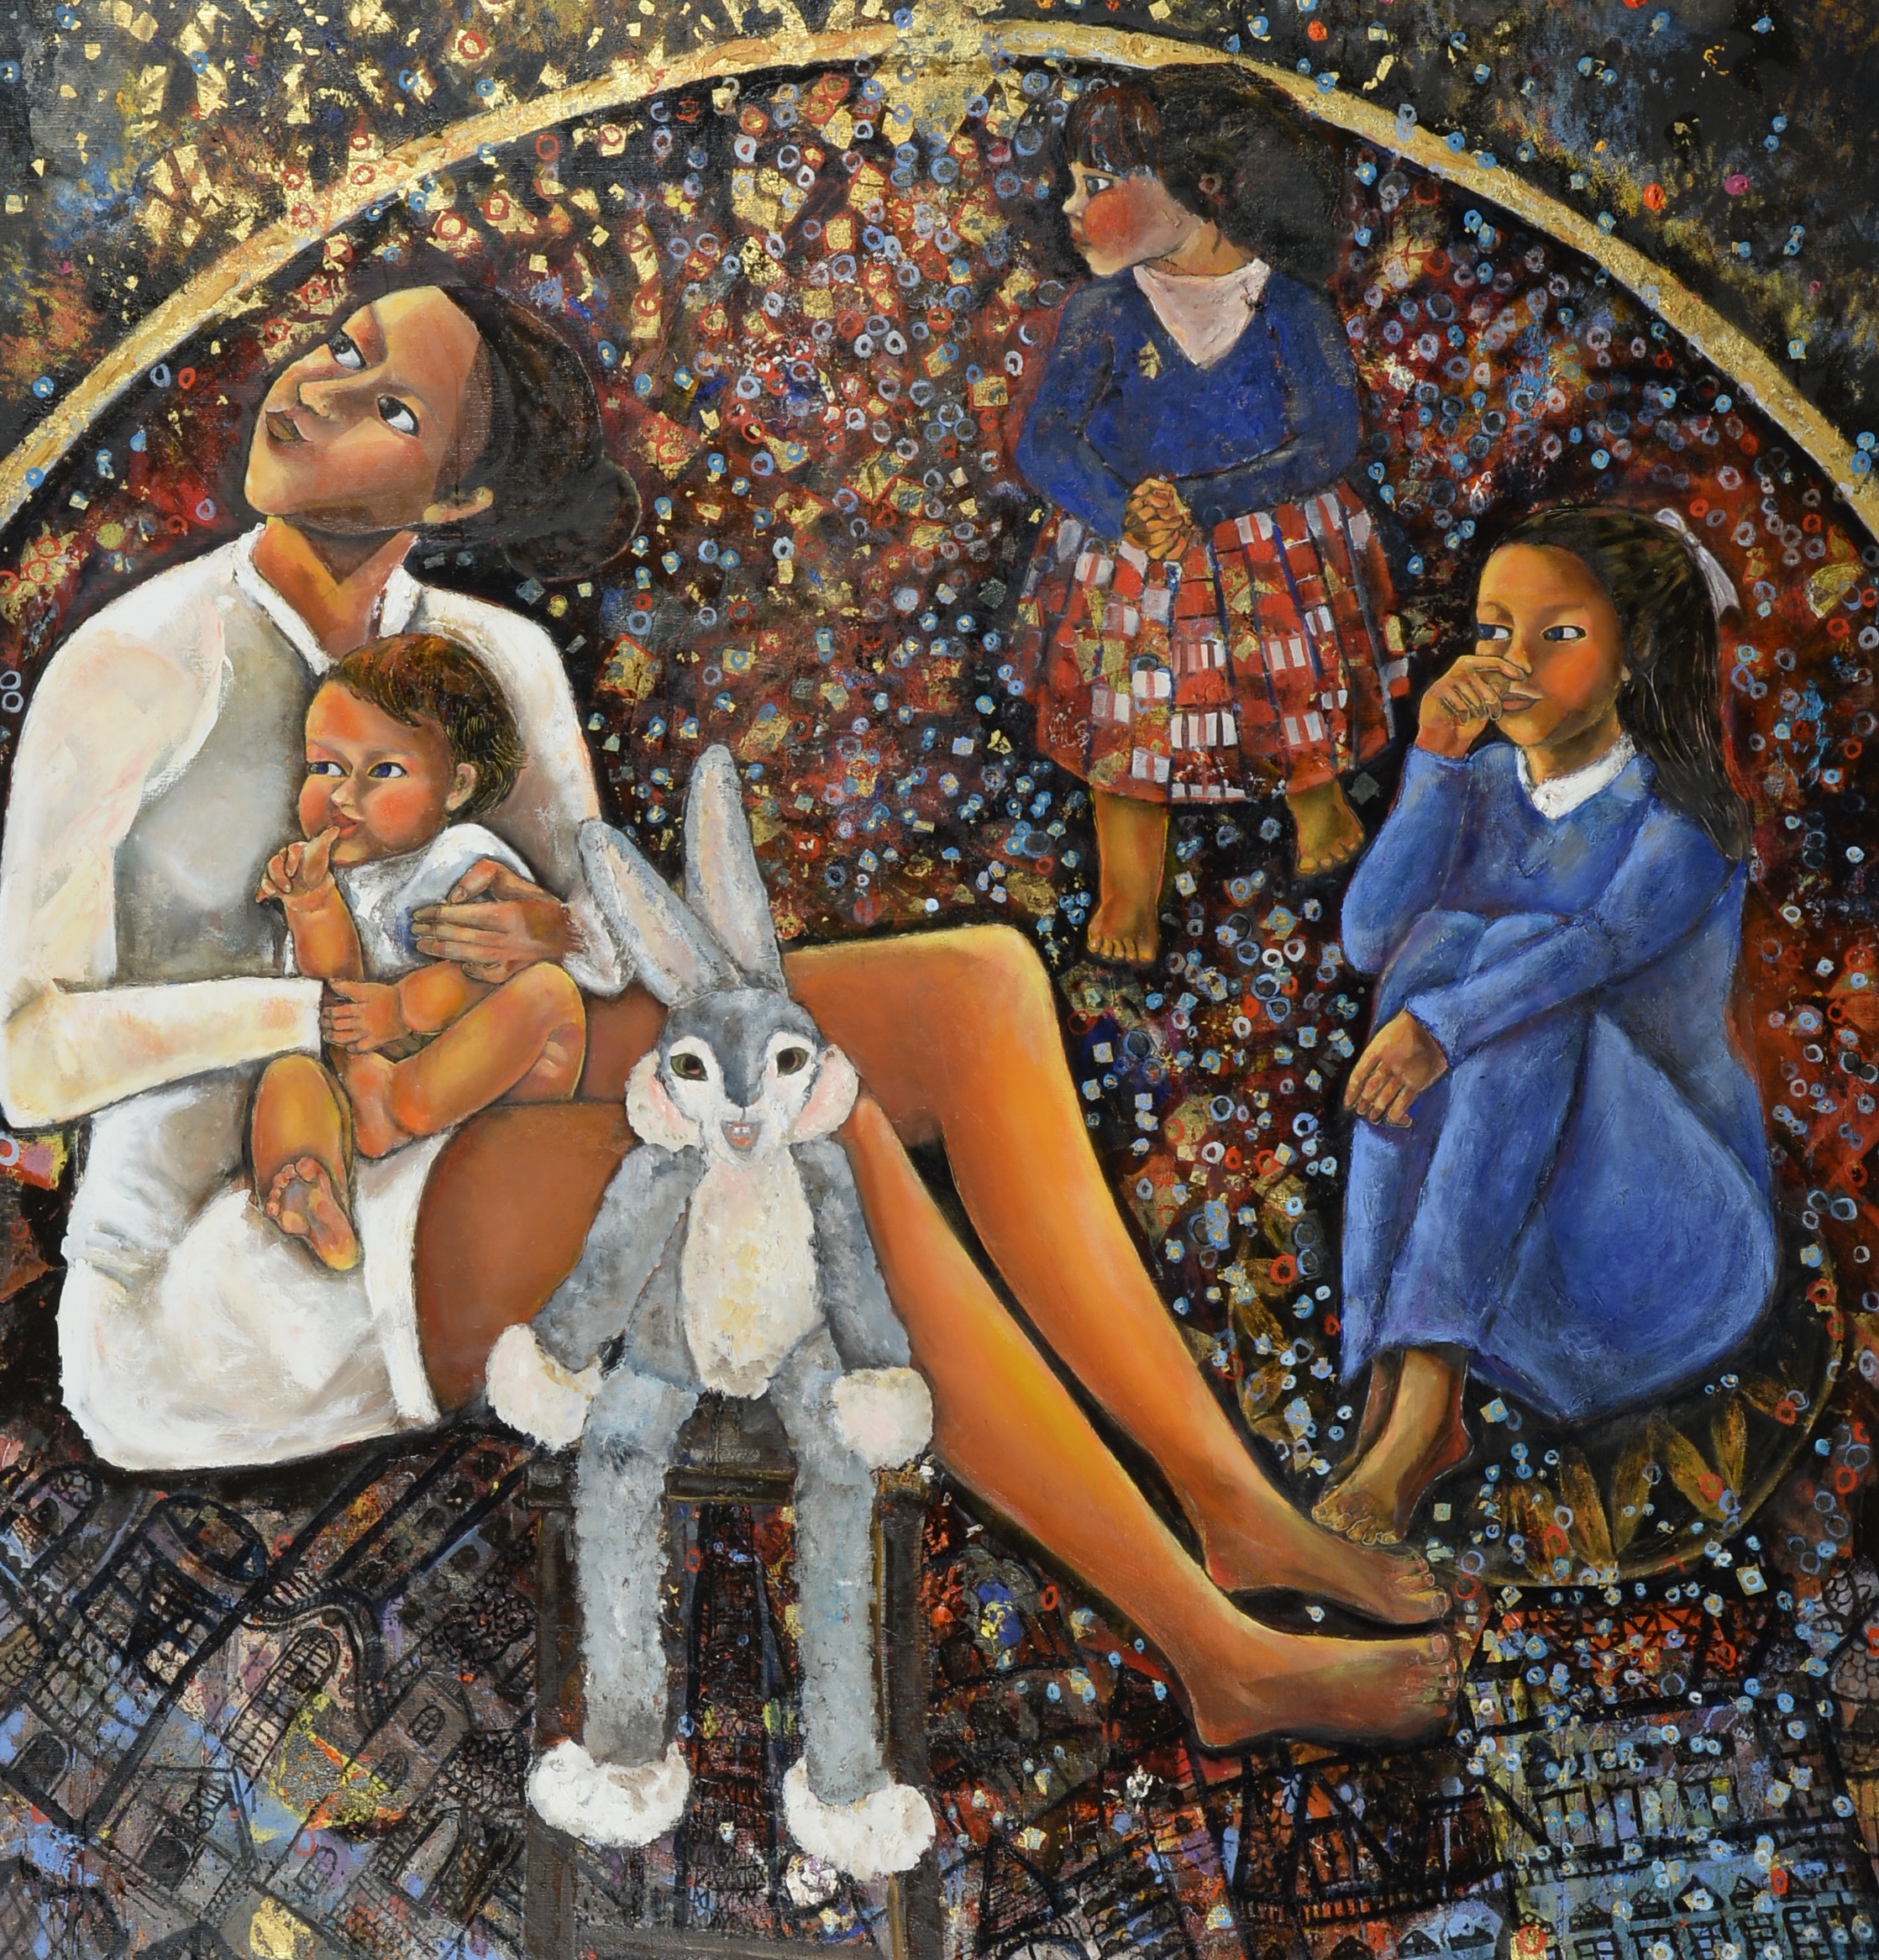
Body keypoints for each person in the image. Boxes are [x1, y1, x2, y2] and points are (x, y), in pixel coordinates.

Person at [0, 273, 1456, 1754]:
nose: (312, 389)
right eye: (335, 348)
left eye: (385, 402)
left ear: (461, 493)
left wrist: (551, 929)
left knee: (970, 993)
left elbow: (619, 968)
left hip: (446, 1080)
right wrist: (306, 1013)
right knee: (798, 1127)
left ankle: (1228, 1503)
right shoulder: (138, 668)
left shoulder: (493, 664)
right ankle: (1212, 1654)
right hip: (232, 1262)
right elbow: (23, 1055)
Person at [1315, 505, 1777, 1549]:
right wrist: (1433, 759)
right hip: (1512, 1255)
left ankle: (1423, 1402)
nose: (1511, 663)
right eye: (1492, 631)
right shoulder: (1479, 785)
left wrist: (1438, 1027)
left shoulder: (1681, 821)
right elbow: (1367, 936)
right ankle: (1402, 1371)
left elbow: (1590, 949)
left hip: (1655, 1246)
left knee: (1518, 962)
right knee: (1434, 947)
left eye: (1556, 634)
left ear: (1634, 656)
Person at [1011, 68, 1408, 964]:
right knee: (1127, 724)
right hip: (1132, 554)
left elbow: (1325, 442)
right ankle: (1127, 889)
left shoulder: (1291, 307)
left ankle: (1315, 800)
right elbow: (1045, 442)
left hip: (1266, 542)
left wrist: (1202, 503)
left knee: (1287, 686)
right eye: (1072, 182)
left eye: (1096, 182)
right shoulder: (1099, 312)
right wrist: (1122, 510)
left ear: (1202, 185)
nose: (1070, 206)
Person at [252, 634, 588, 1272]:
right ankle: (308, 1189)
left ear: (456, 785)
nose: (342, 797)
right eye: (325, 768)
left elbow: (489, 974)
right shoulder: (334, 873)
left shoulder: (462, 860)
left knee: (548, 994)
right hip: (366, 1092)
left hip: (480, 1091)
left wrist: (401, 1010)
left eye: (382, 771)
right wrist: (312, 904)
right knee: (289, 1077)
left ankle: (397, 1102)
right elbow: (335, 998)